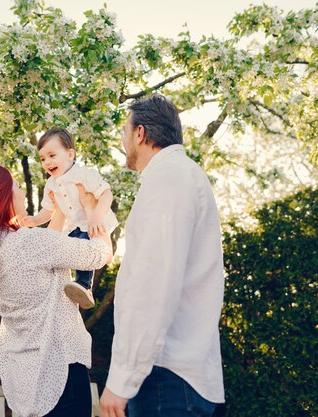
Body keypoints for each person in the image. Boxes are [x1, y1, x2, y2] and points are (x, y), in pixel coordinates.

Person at [0, 162, 112, 417]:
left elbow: (47, 250)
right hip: (62, 371)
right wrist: (91, 207)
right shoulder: (27, 244)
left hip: (25, 377)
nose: (20, 191)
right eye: (16, 186)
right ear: (2, 196)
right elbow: (100, 254)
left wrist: (59, 212)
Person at [100, 95, 226, 417]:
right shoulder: (182, 175)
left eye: (124, 132)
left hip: (165, 378)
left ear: (140, 134)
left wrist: (122, 379)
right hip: (178, 377)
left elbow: (153, 284)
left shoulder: (169, 177)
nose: (123, 139)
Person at [22, 127, 119, 309]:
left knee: (86, 247)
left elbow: (106, 194)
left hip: (93, 223)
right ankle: (63, 290)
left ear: (70, 154)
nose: (47, 162)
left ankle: (84, 286)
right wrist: (34, 220)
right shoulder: (50, 185)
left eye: (52, 155)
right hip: (73, 227)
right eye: (42, 159)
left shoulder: (83, 174)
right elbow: (48, 211)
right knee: (65, 250)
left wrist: (97, 216)